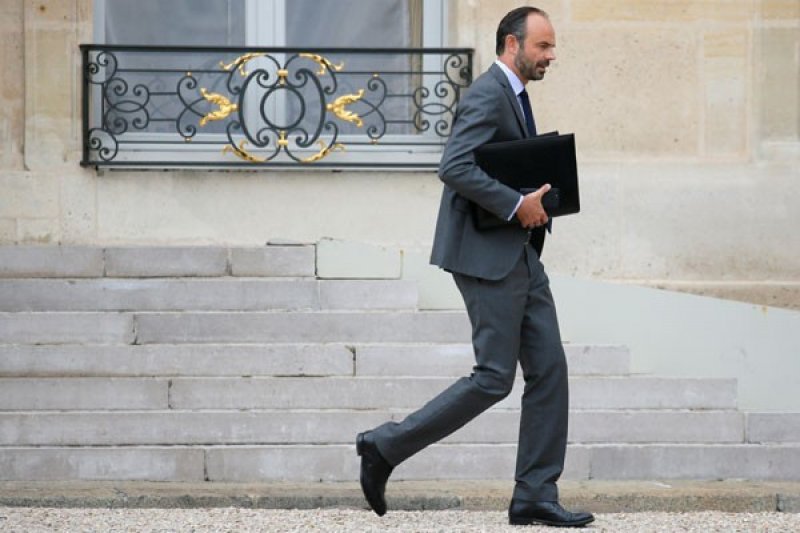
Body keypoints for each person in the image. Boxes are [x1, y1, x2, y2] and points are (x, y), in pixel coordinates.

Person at [356, 6, 594, 528]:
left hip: (520, 254)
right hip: (488, 258)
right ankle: (384, 446)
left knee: (549, 370)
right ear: (512, 44)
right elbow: (454, 166)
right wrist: (515, 204)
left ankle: (534, 493)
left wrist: (536, 198)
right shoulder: (489, 92)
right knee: (493, 378)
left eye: (553, 47)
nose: (551, 56)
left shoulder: (515, 94)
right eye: (543, 46)